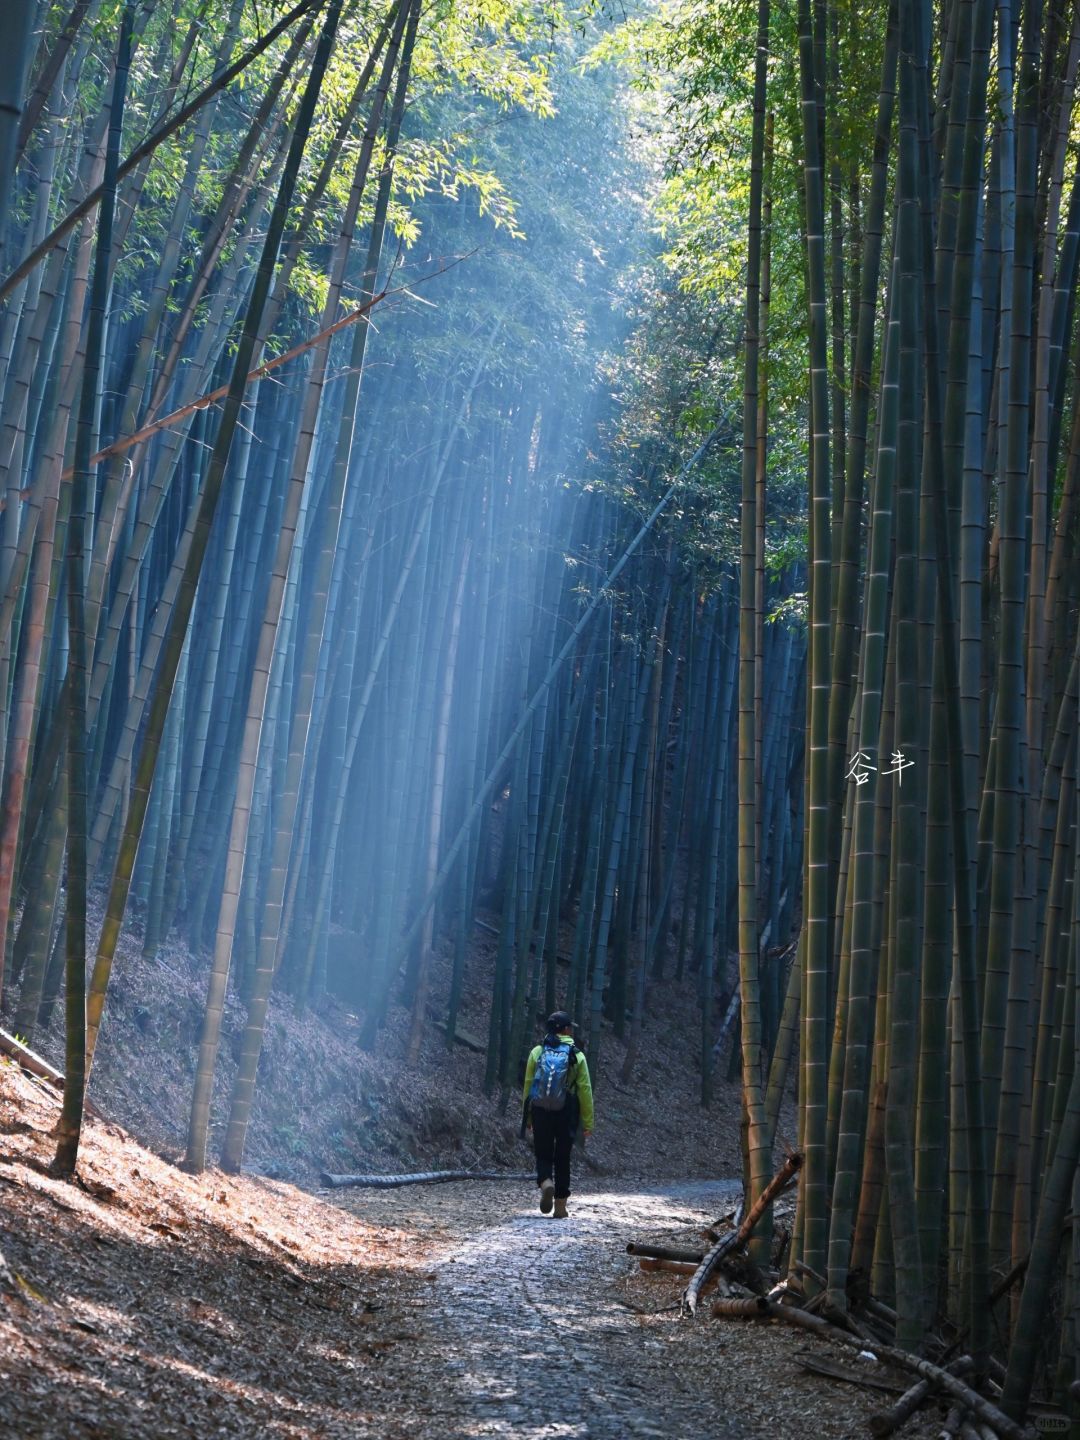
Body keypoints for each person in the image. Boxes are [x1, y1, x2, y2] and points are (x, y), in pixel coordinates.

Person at [521, 1010, 594, 1219]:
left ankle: (546, 1182)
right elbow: (585, 1091)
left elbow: (528, 1087)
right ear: (565, 1029)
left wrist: (527, 1117)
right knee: (563, 1157)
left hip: (540, 1109)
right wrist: (588, 1123)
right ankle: (560, 1206)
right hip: (566, 1110)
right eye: (570, 1027)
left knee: (543, 1152)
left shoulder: (537, 1052)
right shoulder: (576, 1055)